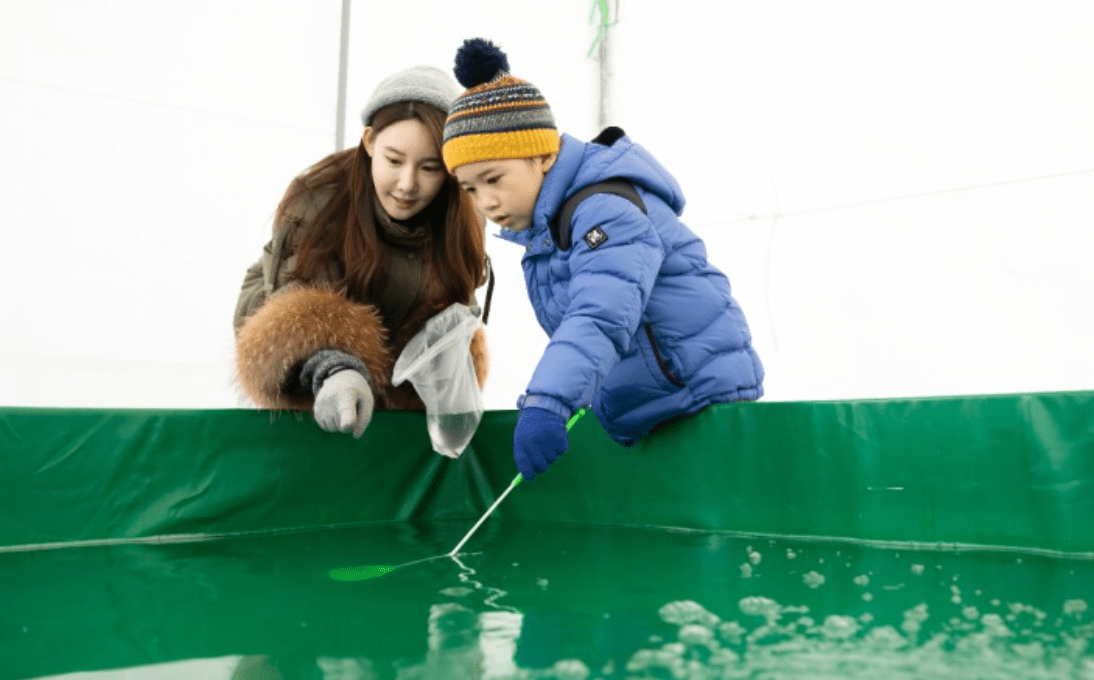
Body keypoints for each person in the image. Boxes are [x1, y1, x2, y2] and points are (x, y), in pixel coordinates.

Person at [442, 39, 764, 480]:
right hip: (663, 405)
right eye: (471, 189)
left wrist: (548, 402)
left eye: (494, 179)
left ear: (544, 154)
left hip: (704, 404)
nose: (486, 203)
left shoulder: (604, 210)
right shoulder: (549, 226)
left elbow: (599, 313)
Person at [234, 65, 490, 438]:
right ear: (369, 141)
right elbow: (299, 303)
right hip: (299, 331)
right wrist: (334, 369)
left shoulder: (465, 215)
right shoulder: (316, 196)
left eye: (430, 167)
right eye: (394, 160)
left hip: (398, 347)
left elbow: (456, 309)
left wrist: (447, 368)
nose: (407, 184)